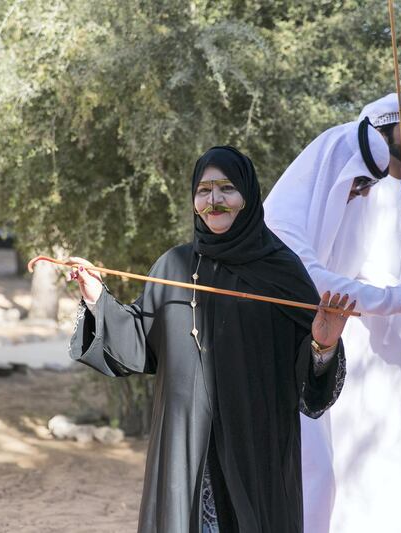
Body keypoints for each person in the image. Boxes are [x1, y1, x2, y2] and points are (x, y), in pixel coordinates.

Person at [67, 146, 353, 533]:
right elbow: (137, 341)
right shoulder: (174, 266)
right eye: (204, 190)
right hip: (185, 443)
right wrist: (95, 296)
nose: (214, 200)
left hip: (257, 443)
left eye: (226, 188)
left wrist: (323, 345)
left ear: (248, 197)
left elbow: (309, 384)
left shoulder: (281, 269)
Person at [264, 109, 401, 533]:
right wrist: (392, 298)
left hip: (317, 355)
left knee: (321, 476)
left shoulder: (347, 206)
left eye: (368, 185)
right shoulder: (283, 217)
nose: (362, 193)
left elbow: (356, 269)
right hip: (274, 356)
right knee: (308, 474)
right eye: (360, 182)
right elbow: (313, 279)